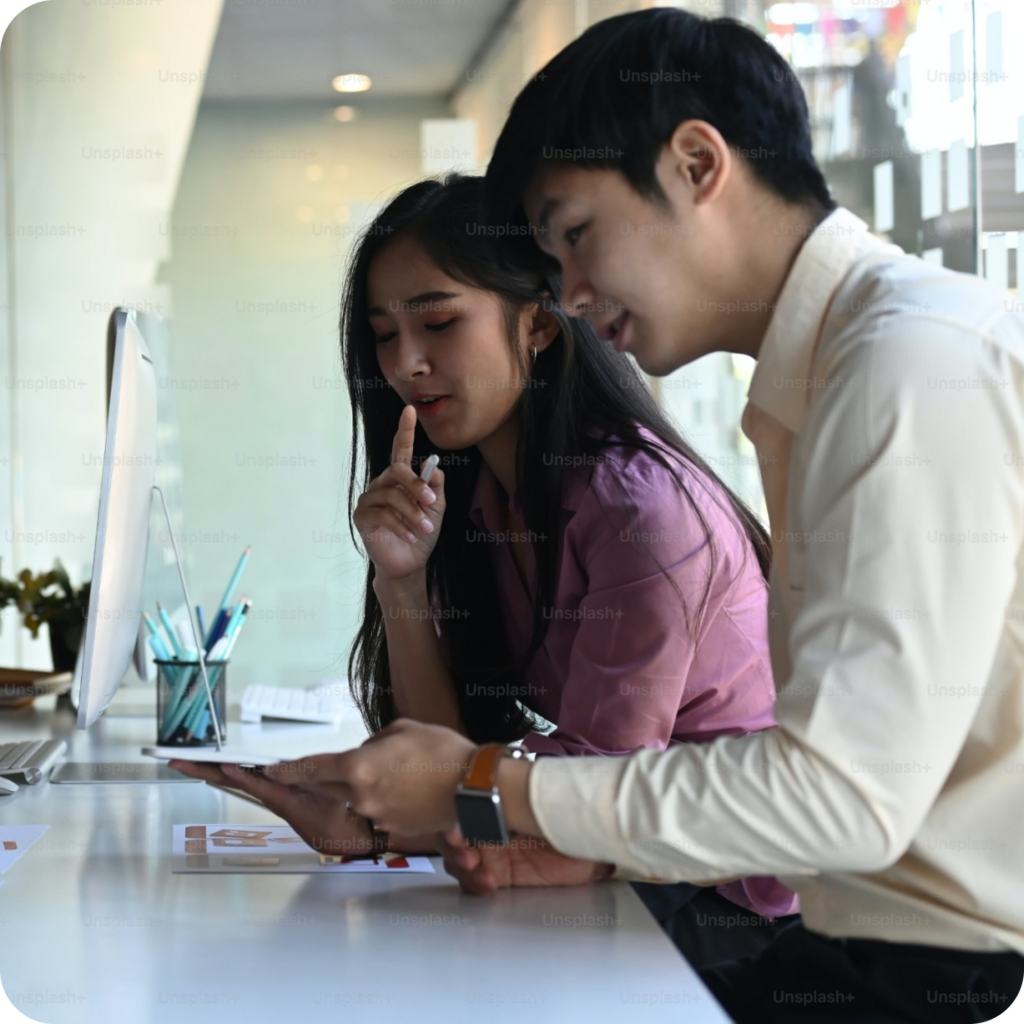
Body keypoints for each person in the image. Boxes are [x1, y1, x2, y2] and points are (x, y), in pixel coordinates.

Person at [181, 9, 1024, 1021]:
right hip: (864, 943)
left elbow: (840, 797)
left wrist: (482, 789)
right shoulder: (828, 382)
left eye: (576, 235)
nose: (571, 293)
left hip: (938, 970)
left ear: (697, 164)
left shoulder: (905, 368)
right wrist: (441, 797)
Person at [173, 172, 798, 967]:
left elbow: (598, 799)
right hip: (627, 869)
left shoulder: (637, 512)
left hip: (738, 907)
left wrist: (390, 828)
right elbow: (459, 755)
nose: (406, 363)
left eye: (438, 323)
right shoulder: (486, 500)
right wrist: (402, 581)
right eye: (384, 336)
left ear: (538, 324)